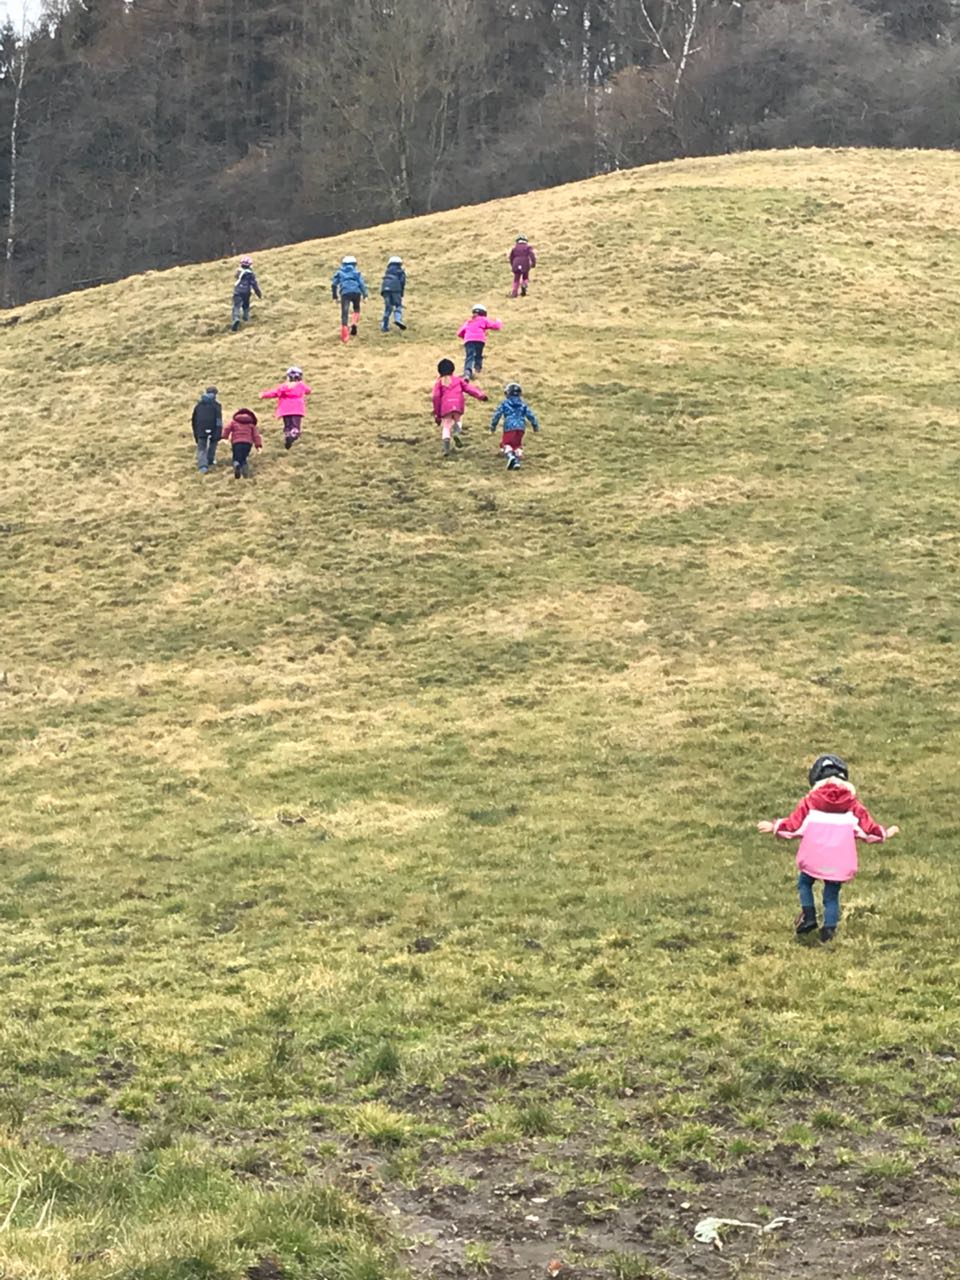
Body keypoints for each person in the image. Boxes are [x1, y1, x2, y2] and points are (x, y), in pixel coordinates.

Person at [756, 753, 900, 944]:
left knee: (805, 882)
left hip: (814, 858)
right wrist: (885, 833)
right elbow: (867, 829)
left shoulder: (810, 801)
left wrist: (774, 826)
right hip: (839, 861)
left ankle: (808, 915)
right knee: (831, 894)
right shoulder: (852, 805)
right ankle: (829, 931)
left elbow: (794, 825)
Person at [432, 358, 488, 457]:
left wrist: (437, 414)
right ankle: (457, 433)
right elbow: (469, 389)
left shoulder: (439, 383)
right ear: (452, 369)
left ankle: (446, 449)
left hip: (446, 407)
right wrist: (481, 396)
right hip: (458, 405)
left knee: (446, 426)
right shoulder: (458, 380)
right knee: (458, 421)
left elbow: (436, 397)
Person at [489, 381, 540, 470]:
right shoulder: (523, 404)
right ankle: (517, 462)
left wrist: (493, 426)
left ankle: (511, 457)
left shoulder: (505, 403)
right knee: (517, 445)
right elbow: (530, 415)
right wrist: (535, 426)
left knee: (505, 444)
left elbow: (497, 415)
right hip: (521, 428)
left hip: (509, 428)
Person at [259, 366, 312, 450]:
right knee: (295, 425)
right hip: (297, 409)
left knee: (287, 425)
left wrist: (264, 395)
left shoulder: (283, 387)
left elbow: (275, 393)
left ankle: (287, 435)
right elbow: (308, 390)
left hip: (285, 410)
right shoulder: (301, 385)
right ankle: (293, 436)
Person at [457, 305, 502, 381]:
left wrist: (466, 337)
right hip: (480, 340)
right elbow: (496, 326)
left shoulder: (469, 322)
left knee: (469, 356)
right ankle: (477, 370)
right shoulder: (484, 320)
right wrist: (499, 321)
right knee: (478, 355)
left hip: (469, 340)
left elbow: (459, 332)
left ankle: (467, 373)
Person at [331, 255, 369, 342]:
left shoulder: (339, 273)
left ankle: (345, 336)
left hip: (345, 293)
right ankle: (354, 322)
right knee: (356, 309)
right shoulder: (356, 273)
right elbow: (361, 284)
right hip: (356, 292)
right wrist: (365, 295)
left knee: (345, 313)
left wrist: (335, 296)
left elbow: (334, 285)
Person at [222, 407, 263, 479]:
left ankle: (237, 465)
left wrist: (224, 437)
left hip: (236, 443)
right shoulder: (251, 425)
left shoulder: (233, 422)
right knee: (244, 458)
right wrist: (258, 445)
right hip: (247, 444)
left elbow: (227, 428)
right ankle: (245, 473)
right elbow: (256, 436)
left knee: (236, 457)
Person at [191, 386, 222, 473]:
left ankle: (203, 466)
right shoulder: (217, 405)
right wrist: (218, 432)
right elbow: (218, 420)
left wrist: (196, 433)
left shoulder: (198, 405)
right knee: (213, 443)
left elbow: (194, 420)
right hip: (213, 428)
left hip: (200, 429)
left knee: (201, 448)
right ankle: (210, 460)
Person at [231, 256, 262, 332]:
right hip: (246, 292)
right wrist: (258, 293)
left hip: (238, 291)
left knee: (236, 306)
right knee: (246, 305)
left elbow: (236, 276)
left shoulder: (238, 271)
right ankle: (246, 318)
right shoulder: (251, 274)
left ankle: (236, 319)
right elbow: (254, 284)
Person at [380, 255, 407, 333]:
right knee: (398, 305)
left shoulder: (387, 272)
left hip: (385, 290)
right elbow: (402, 282)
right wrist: (401, 293)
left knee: (388, 308)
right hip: (396, 289)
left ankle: (384, 325)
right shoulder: (401, 272)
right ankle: (398, 319)